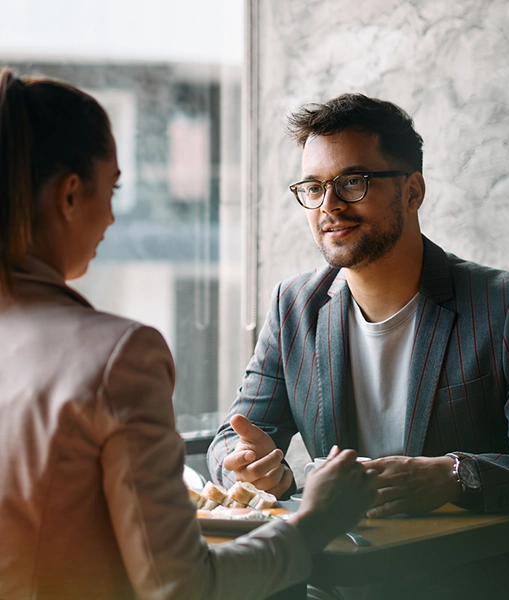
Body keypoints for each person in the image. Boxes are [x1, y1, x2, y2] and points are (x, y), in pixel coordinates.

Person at [0, 70, 378, 600]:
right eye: (113, 189)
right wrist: (315, 521)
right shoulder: (115, 356)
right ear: (69, 195)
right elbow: (182, 587)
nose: (111, 215)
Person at [207, 93, 509, 596]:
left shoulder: (508, 306)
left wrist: (456, 476)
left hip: (463, 584)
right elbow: (231, 440)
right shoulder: (294, 307)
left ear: (413, 191)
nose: (329, 206)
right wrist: (249, 465)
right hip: (333, 582)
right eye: (313, 187)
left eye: (352, 182)